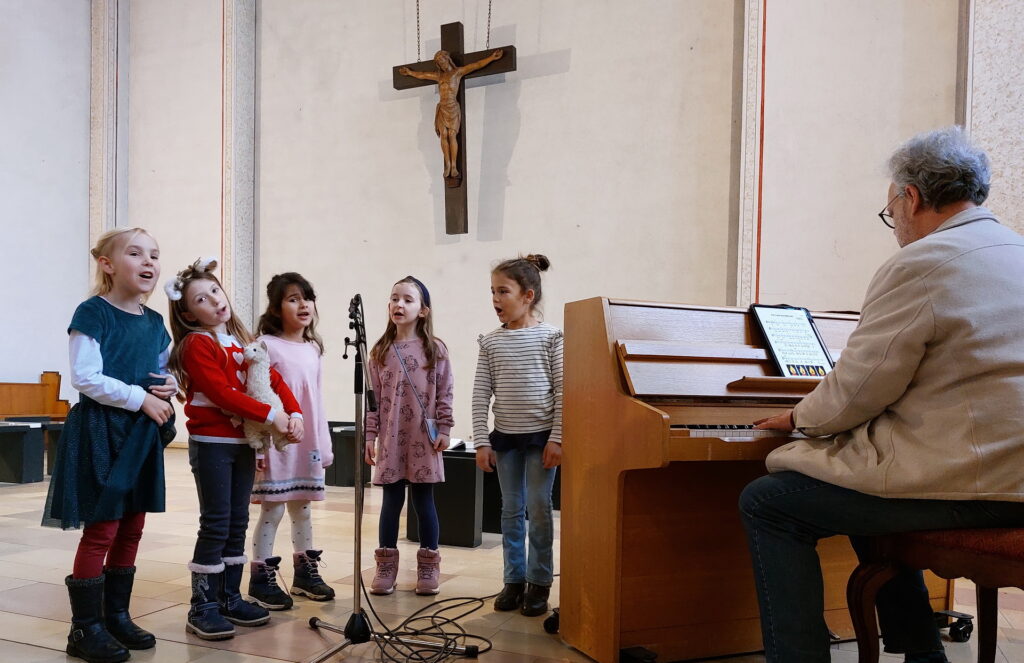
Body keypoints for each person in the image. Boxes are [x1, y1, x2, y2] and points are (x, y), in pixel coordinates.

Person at [740, 126, 1024, 663]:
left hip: (972, 487)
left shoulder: (922, 263)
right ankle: (922, 652)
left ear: (910, 197)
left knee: (770, 501)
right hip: (1015, 479)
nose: (894, 225)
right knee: (854, 475)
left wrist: (799, 418)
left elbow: (859, 389)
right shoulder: (1018, 252)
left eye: (890, 211)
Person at [43, 228, 175, 663]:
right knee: (102, 529)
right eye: (135, 253)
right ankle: (84, 628)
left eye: (154, 254)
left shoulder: (154, 322)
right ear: (107, 264)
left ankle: (116, 615)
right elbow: (85, 377)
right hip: (102, 429)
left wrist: (169, 386)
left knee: (133, 525)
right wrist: (140, 398)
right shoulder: (93, 312)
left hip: (140, 435)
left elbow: (161, 371)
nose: (148, 261)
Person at [166, 258, 304, 641]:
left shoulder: (244, 342)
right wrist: (272, 416)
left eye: (215, 290)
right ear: (188, 315)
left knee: (237, 521)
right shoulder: (197, 343)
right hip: (212, 445)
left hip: (243, 443)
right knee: (216, 522)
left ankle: (229, 597)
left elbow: (272, 379)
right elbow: (221, 393)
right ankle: (202, 606)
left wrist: (294, 412)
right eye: (201, 299)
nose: (214, 300)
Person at [473, 254, 563, 617]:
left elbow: (564, 391)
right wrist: (482, 441)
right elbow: (481, 394)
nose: (495, 299)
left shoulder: (551, 337)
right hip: (506, 439)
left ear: (528, 296)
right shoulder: (491, 342)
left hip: (541, 439)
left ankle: (539, 582)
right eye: (492, 292)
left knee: (539, 507)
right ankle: (514, 579)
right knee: (511, 509)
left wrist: (558, 438)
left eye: (503, 291)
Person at [247, 273, 335, 609]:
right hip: (276, 443)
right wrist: (259, 445)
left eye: (307, 298)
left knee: (303, 508)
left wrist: (323, 444)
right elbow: (257, 395)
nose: (303, 305)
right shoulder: (265, 345)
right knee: (273, 510)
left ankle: (304, 574)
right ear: (276, 307)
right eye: (293, 299)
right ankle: (260, 578)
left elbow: (317, 400)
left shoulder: (313, 348)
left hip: (307, 442)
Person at [365, 276, 454, 596]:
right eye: (394, 298)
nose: (398, 304)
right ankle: (386, 565)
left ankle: (429, 565)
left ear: (423, 310)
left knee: (424, 501)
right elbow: (372, 401)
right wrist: (369, 437)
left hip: (422, 438)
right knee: (391, 501)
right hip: (391, 438)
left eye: (407, 300)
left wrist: (445, 428)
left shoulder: (435, 349)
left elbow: (445, 392)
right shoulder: (379, 351)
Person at [398, 48, 503, 181]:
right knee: (443, 135)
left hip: (452, 107)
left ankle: (454, 165)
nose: (441, 63)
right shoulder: (439, 76)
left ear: (447, 59)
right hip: (442, 108)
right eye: (438, 61)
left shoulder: (457, 72)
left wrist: (491, 58)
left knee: (452, 135)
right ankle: (447, 164)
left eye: (441, 59)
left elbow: (476, 65)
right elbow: (423, 75)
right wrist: (410, 72)